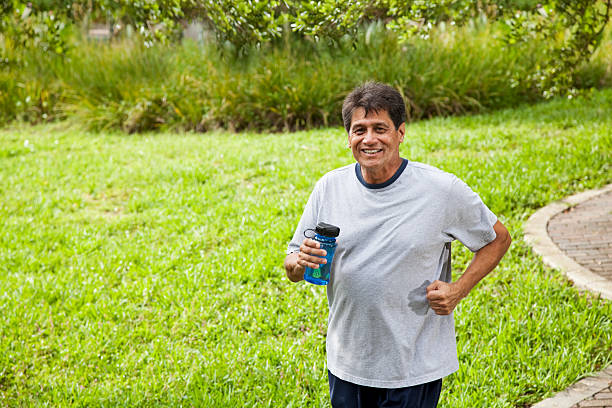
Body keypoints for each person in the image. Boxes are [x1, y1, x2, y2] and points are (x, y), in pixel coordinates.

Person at [284, 82, 511, 408]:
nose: (369, 139)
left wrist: (458, 289)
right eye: (359, 130)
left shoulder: (440, 190)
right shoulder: (329, 188)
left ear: (400, 133)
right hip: (347, 362)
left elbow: (497, 239)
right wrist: (298, 262)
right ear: (348, 137)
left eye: (380, 128)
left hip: (412, 367)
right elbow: (293, 264)